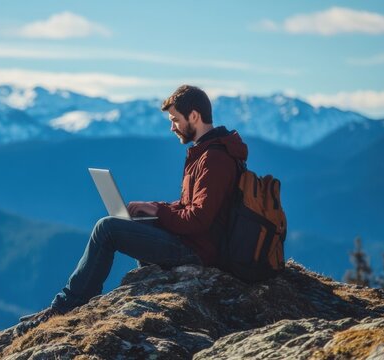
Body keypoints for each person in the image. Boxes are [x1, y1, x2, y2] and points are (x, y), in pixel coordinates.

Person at [15, 85, 248, 335]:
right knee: (131, 222)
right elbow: (190, 207)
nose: (172, 127)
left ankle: (67, 306)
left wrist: (156, 211)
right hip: (196, 242)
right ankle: (84, 299)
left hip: (199, 251)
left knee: (107, 229)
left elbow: (198, 220)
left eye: (175, 120)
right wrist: (153, 208)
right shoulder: (205, 153)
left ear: (194, 116)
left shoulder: (214, 158)